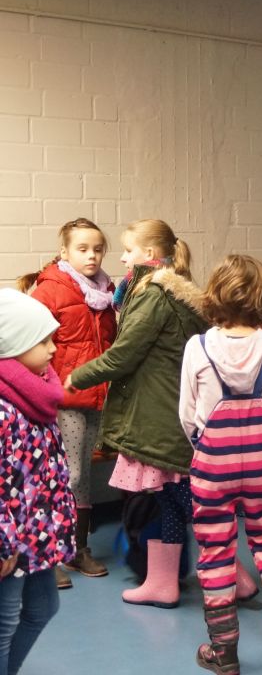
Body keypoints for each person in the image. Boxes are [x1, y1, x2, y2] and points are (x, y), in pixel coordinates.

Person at [64, 219, 207, 609]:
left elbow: (123, 356)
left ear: (149, 254)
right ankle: (163, 583)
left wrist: (77, 376)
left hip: (156, 416)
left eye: (128, 250)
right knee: (169, 501)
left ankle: (233, 575)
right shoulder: (168, 290)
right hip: (164, 412)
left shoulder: (154, 294)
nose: (123, 258)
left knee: (188, 502)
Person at [180, 255, 262, 673]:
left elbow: (187, 414)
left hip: (212, 463)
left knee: (216, 549)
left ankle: (224, 651)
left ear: (215, 293)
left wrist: (204, 445)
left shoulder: (198, 346)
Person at [17, 218, 116, 589]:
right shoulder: (50, 290)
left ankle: (77, 549)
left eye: (98, 249)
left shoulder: (106, 292)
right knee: (66, 474)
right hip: (62, 399)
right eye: (82, 249)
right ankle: (49, 554)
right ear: (64, 252)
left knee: (82, 473)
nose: (92, 256)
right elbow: (29, 345)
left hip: (94, 395)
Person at [0, 289, 76, 675]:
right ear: (14, 346)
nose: (53, 349)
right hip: (9, 543)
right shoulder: (4, 409)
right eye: (42, 340)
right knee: (4, 624)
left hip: (37, 533)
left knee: (44, 608)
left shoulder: (35, 394)